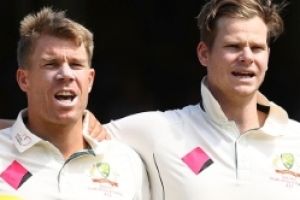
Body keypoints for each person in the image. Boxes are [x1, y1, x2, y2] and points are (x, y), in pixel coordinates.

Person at [102, 0, 300, 199]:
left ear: (267, 57)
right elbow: (79, 135)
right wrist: (86, 122)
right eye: (233, 46)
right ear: (204, 54)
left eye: (257, 48)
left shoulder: (296, 138)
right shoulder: (160, 130)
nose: (247, 57)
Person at [0, 7, 149, 200]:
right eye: (51, 64)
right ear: (23, 80)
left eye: (76, 65)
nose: (66, 75)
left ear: (90, 80)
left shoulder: (126, 162)